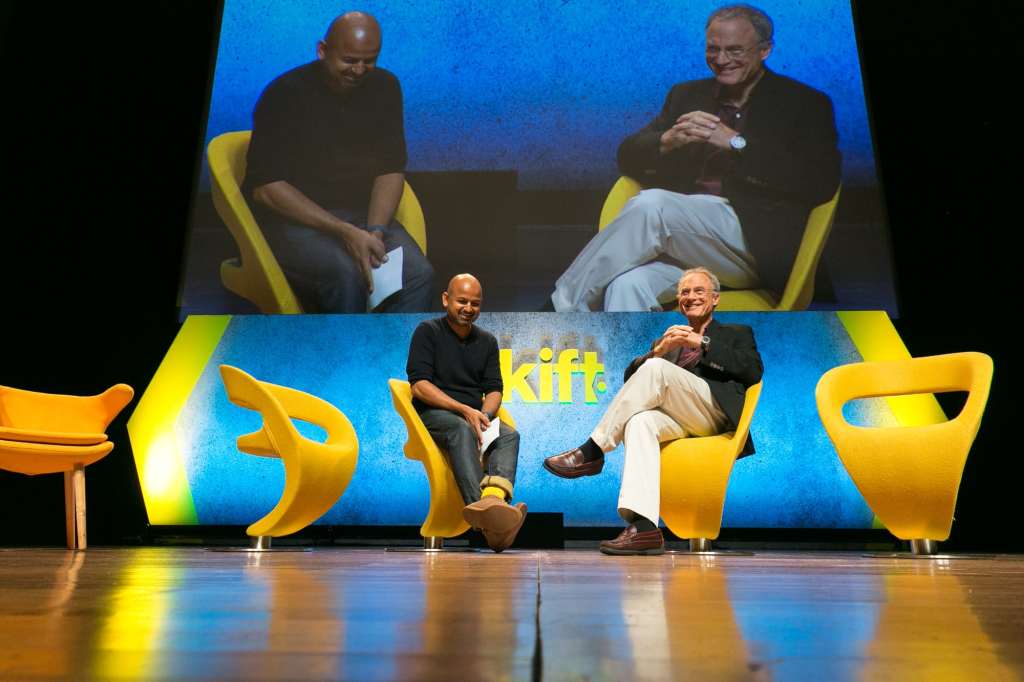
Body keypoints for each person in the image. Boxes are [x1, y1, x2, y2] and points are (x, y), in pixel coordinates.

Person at [550, 4, 840, 312]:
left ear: (765, 50)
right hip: (686, 243)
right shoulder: (686, 95)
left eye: (735, 50)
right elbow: (627, 156)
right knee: (628, 284)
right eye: (713, 49)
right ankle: (637, 359)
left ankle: (558, 311)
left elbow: (818, 181)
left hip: (753, 245)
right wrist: (665, 141)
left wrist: (737, 143)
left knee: (654, 205)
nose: (722, 59)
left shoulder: (804, 103)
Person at [543, 267, 762, 554]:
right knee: (639, 420)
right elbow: (632, 383)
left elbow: (752, 369)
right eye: (685, 292)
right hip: (681, 418)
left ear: (715, 299)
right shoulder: (669, 340)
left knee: (658, 370)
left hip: (715, 416)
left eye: (699, 291)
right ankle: (644, 526)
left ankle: (593, 450)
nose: (691, 297)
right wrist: (657, 351)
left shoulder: (736, 333)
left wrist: (703, 343)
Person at [244, 11, 434, 313]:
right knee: (345, 274)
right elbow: (266, 188)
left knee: (418, 274)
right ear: (322, 50)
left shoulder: (386, 87)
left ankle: (401, 358)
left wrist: (374, 232)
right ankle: (347, 358)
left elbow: (390, 168)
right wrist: (344, 232)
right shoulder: (284, 94)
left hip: (360, 217)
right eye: (349, 60)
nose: (359, 70)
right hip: (295, 223)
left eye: (369, 60)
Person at [406, 274, 527, 551]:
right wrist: (465, 411)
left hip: (473, 415)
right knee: (460, 428)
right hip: (434, 415)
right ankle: (487, 517)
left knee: (509, 436)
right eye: (462, 301)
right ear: (446, 299)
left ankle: (493, 503)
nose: (468, 308)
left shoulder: (486, 341)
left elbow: (495, 389)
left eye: (475, 303)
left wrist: (483, 414)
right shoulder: (428, 331)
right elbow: (419, 386)